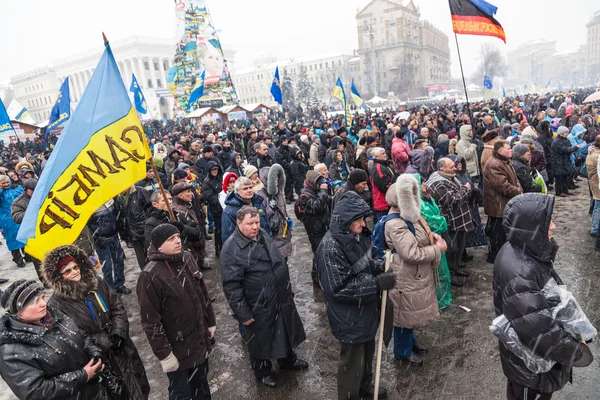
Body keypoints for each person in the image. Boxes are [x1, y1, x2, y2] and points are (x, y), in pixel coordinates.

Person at [493, 193, 593, 400]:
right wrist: (574, 350)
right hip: (532, 367)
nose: (554, 226)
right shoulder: (520, 272)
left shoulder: (521, 250)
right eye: (548, 222)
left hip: (525, 359)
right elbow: (538, 330)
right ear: (530, 228)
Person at [42, 245, 150, 399]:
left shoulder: (97, 283)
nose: (74, 272)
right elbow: (73, 335)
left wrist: (119, 331)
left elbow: (116, 306)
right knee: (117, 393)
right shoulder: (56, 304)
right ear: (58, 276)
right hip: (100, 360)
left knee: (139, 386)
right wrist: (102, 342)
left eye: (75, 267)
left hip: (123, 349)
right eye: (67, 271)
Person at [316, 191, 394, 399]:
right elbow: (339, 287)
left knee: (367, 352)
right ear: (346, 220)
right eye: (358, 219)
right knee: (352, 361)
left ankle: (365, 385)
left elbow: (364, 263)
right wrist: (376, 283)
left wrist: (379, 268)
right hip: (349, 316)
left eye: (363, 218)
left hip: (365, 309)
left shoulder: (358, 236)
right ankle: (350, 394)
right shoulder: (330, 247)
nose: (363, 223)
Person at [221, 206, 308, 388]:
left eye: (257, 222)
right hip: (257, 303)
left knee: (284, 330)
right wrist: (243, 313)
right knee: (259, 340)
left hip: (278, 296)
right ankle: (262, 372)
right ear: (238, 223)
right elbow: (232, 286)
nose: (254, 227)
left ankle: (287, 361)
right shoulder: (231, 249)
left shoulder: (262, 234)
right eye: (250, 224)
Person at [138, 224, 216, 400]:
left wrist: (210, 322)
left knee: (201, 386)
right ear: (158, 246)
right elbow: (150, 322)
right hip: (177, 348)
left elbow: (203, 294)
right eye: (171, 239)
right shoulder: (149, 275)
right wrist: (165, 355)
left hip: (198, 338)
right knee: (181, 392)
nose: (178, 241)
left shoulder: (187, 257)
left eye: (178, 236)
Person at [0, 279, 108, 399]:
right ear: (18, 312)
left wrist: (94, 353)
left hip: (95, 393)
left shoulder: (56, 316)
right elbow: (36, 392)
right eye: (35, 301)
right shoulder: (11, 351)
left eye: (43, 297)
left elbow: (81, 335)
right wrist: (83, 375)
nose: (43, 303)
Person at [385, 176, 446, 366]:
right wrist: (437, 249)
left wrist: (431, 237)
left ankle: (410, 344)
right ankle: (402, 352)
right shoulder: (395, 223)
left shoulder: (410, 215)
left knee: (410, 313)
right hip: (405, 276)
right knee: (403, 315)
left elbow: (419, 235)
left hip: (414, 274)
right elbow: (411, 253)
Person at [426, 158, 473, 281]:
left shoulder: (449, 176)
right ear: (442, 169)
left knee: (459, 245)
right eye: (451, 166)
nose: (455, 168)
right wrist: (465, 189)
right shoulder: (438, 183)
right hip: (451, 221)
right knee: (450, 249)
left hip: (460, 219)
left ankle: (456, 267)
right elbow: (452, 200)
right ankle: (450, 275)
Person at [483, 140, 523, 263]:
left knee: (502, 230)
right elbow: (502, 186)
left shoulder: (505, 161)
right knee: (497, 231)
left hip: (503, 203)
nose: (511, 150)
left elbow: (514, 179)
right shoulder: (494, 164)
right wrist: (518, 191)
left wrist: (518, 188)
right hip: (497, 204)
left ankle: (500, 253)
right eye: (508, 148)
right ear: (500, 151)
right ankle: (494, 255)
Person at [87, 199, 130, 294]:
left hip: (114, 236)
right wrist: (96, 238)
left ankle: (119, 284)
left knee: (119, 262)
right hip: (101, 240)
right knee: (107, 267)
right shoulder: (90, 205)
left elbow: (118, 214)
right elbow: (88, 226)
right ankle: (110, 289)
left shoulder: (111, 199)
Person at [295, 170, 330, 285]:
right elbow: (318, 206)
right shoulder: (305, 195)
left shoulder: (313, 191)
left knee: (322, 251)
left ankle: (321, 275)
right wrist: (323, 191)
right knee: (318, 252)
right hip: (314, 229)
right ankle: (316, 278)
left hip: (320, 226)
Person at [256, 164, 293, 259]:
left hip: (283, 234)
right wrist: (270, 210)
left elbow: (283, 210)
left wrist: (287, 220)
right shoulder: (261, 196)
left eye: (278, 177)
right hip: (274, 237)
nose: (277, 179)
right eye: (274, 177)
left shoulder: (278, 193)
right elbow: (261, 220)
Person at [170, 182, 209, 270]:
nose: (191, 194)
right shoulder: (179, 211)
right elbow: (187, 234)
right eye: (188, 191)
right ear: (180, 195)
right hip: (190, 249)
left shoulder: (186, 206)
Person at [221, 176, 270, 241]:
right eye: (245, 189)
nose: (249, 190)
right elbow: (228, 236)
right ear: (237, 191)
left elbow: (267, 226)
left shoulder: (259, 203)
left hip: (263, 244)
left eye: (250, 187)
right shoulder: (229, 211)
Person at [116, 184, 151, 269]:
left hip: (145, 231)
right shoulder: (119, 198)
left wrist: (148, 226)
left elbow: (150, 210)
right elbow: (121, 217)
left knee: (152, 257)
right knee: (142, 261)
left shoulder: (141, 191)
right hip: (133, 234)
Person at [0, 174, 26, 268]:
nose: (6, 184)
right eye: (4, 183)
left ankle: (27, 255)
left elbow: (23, 195)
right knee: (12, 240)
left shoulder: (15, 189)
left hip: (17, 216)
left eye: (7, 182)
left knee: (23, 236)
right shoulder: (1, 193)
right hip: (7, 219)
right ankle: (17, 258)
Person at [200, 161, 224, 257]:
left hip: (223, 206)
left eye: (216, 169)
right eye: (213, 169)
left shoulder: (220, 178)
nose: (215, 171)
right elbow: (208, 196)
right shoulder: (207, 181)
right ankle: (218, 249)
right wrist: (220, 199)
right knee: (218, 229)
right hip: (216, 209)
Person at [369, 147, 396, 224]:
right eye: (382, 153)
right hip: (382, 202)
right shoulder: (378, 168)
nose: (385, 155)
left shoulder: (385, 165)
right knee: (383, 225)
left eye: (384, 153)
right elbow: (383, 186)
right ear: (376, 156)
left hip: (388, 200)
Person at [551, 126, 580, 197]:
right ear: (561, 133)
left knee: (565, 177)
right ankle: (559, 192)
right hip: (558, 162)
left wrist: (572, 148)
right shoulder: (556, 141)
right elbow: (564, 150)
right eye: (566, 132)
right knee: (559, 178)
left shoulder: (565, 139)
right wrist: (574, 148)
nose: (567, 134)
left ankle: (565, 190)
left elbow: (568, 147)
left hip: (565, 161)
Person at [586, 136, 600, 237]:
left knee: (596, 205)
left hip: (593, 181)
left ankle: (594, 227)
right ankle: (595, 229)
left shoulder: (591, 152)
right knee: (598, 207)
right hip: (597, 182)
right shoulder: (597, 156)